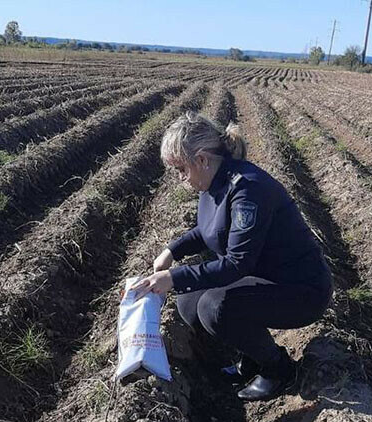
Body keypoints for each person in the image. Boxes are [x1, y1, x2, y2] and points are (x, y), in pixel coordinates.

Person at [131, 112, 333, 400]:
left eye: (181, 169)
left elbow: (237, 263)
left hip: (302, 289)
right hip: (264, 278)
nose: (180, 179)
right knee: (189, 303)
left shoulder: (248, 190)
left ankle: (278, 369)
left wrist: (172, 277)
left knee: (215, 308)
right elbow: (207, 229)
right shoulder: (213, 182)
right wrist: (171, 252)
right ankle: (252, 352)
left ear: (202, 159)